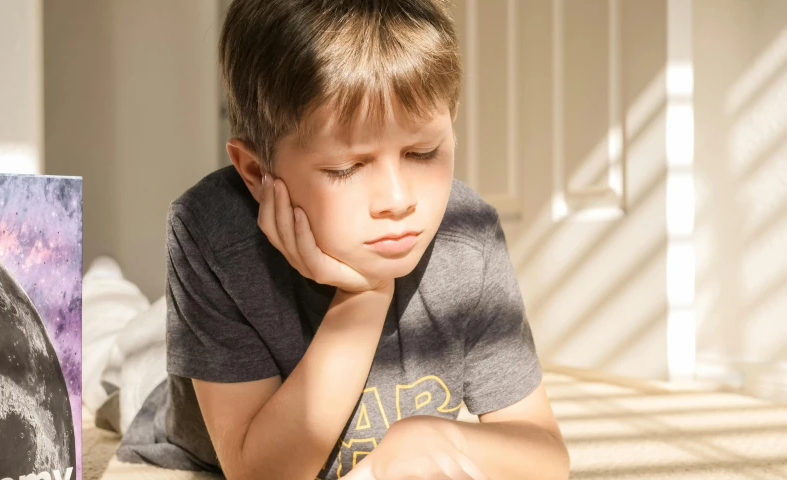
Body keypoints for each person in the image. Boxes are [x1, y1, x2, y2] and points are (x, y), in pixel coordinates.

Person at [114, 0, 570, 478]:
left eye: (422, 152)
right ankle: (110, 292)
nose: (396, 200)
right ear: (255, 171)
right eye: (345, 168)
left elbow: (545, 455)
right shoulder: (208, 230)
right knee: (119, 345)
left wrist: (437, 439)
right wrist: (366, 296)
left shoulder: (468, 237)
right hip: (169, 396)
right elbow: (263, 474)